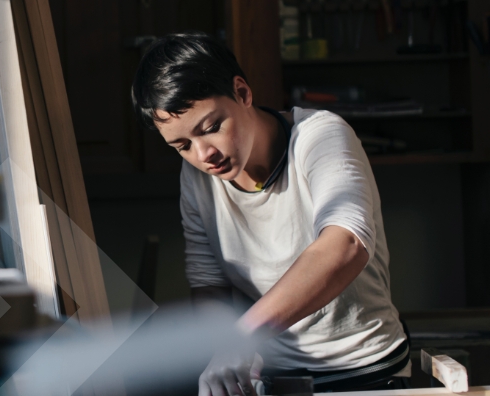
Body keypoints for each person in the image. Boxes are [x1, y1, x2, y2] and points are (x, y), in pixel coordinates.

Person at [131, 32, 410, 395]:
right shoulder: (196, 177)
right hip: (270, 377)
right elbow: (210, 284)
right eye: (182, 145)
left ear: (243, 93)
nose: (204, 155)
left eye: (211, 127)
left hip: (365, 371)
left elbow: (345, 245)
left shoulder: (320, 135)